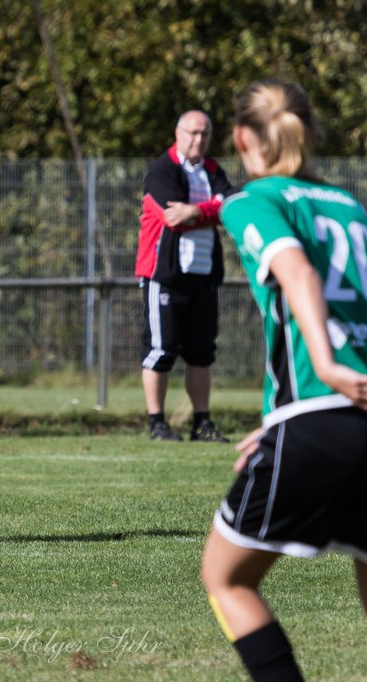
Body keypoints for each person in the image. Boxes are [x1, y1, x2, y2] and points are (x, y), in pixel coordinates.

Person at [202, 80, 367, 682]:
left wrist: (321, 368)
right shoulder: (348, 205)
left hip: (329, 410)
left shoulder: (255, 200)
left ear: (246, 141)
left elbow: (296, 273)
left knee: (226, 578)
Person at [135, 109, 234, 442]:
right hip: (165, 275)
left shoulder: (212, 170)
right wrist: (209, 209)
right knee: (162, 350)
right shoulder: (162, 170)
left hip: (203, 274)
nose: (198, 139)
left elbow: (230, 204)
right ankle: (157, 422)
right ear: (178, 133)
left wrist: (197, 210)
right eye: (193, 133)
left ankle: (201, 422)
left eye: (204, 133)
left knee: (201, 352)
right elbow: (172, 216)